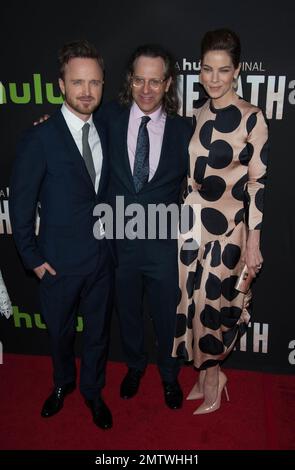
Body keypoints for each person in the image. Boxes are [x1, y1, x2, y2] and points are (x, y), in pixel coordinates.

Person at [9, 40, 115, 429]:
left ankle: (92, 390)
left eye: (94, 83)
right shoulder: (39, 138)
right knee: (59, 335)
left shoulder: (107, 124)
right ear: (60, 85)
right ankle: (62, 384)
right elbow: (20, 206)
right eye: (77, 83)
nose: (86, 91)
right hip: (57, 264)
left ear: (104, 85)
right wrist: (33, 260)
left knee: (98, 336)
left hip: (102, 260)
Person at [172, 29, 269, 414]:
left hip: (230, 229)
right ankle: (202, 372)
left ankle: (214, 377)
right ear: (199, 69)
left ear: (237, 71)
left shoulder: (252, 118)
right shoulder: (196, 113)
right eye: (207, 69)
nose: (213, 78)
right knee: (193, 305)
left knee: (216, 305)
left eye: (223, 70)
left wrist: (253, 241)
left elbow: (258, 183)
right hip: (191, 225)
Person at [102, 45, 192, 409]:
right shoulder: (108, 117)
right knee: (127, 311)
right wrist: (45, 122)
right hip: (119, 243)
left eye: (155, 81)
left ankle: (169, 375)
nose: (146, 89)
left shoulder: (186, 129)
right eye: (139, 79)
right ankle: (135, 366)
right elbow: (71, 131)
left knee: (167, 314)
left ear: (168, 83)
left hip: (162, 245)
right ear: (130, 79)